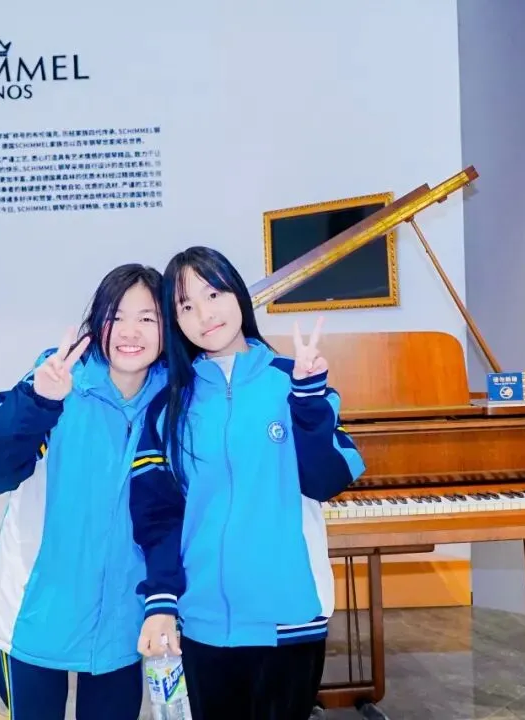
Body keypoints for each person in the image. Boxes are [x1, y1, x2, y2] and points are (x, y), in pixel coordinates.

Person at [129, 246, 366, 720]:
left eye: (213, 294)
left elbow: (327, 480)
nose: (205, 314)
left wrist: (307, 401)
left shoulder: (294, 382)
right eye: (186, 305)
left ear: (237, 293)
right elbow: (157, 516)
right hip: (203, 622)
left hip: (289, 617)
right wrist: (163, 599)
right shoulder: (167, 408)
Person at [0, 263, 166, 720]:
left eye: (147, 318)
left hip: (120, 627)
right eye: (117, 316)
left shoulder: (172, 400)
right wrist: (39, 400)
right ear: (97, 321)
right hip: (34, 619)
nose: (130, 332)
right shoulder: (58, 379)